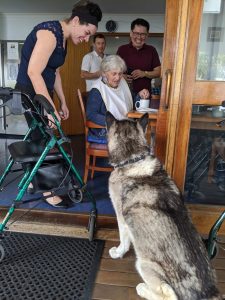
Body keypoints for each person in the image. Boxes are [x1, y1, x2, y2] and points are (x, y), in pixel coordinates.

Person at [15, 1, 102, 207]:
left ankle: (33, 181)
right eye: (87, 32)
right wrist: (49, 109)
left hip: (42, 93)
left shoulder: (63, 40)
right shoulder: (49, 33)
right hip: (30, 93)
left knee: (43, 137)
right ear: (75, 21)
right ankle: (48, 191)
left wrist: (62, 101)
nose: (86, 38)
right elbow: (33, 72)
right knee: (44, 140)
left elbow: (55, 72)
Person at [86, 55, 149, 144]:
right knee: (138, 139)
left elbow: (131, 100)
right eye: (114, 74)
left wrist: (140, 95)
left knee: (146, 134)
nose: (118, 77)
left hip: (125, 127)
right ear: (104, 73)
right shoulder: (97, 90)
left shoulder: (122, 82)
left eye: (120, 73)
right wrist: (114, 123)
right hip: (105, 130)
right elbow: (91, 114)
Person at [117, 18, 161, 104]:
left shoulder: (152, 50)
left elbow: (158, 72)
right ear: (131, 33)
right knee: (125, 117)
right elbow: (113, 70)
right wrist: (122, 76)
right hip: (123, 94)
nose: (139, 37)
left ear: (147, 35)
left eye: (143, 34)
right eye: (136, 33)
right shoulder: (122, 49)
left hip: (145, 96)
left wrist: (144, 73)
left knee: (143, 117)